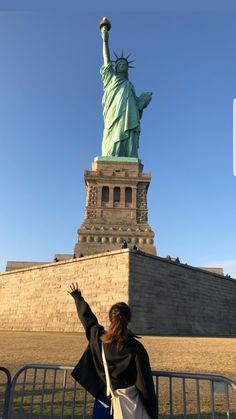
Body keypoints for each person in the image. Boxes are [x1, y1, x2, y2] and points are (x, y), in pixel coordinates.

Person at [68, 282, 158, 419]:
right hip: (127, 407)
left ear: (110, 318)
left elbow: (89, 321)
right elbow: (145, 386)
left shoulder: (99, 339)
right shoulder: (135, 348)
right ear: (128, 320)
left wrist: (77, 297)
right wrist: (152, 413)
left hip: (103, 404)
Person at [100, 23, 152, 158]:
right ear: (115, 67)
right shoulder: (110, 78)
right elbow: (106, 59)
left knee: (129, 133)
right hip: (113, 113)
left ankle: (127, 155)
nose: (122, 65)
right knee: (113, 135)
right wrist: (105, 40)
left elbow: (135, 104)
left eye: (125, 64)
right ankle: (112, 155)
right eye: (120, 64)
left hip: (128, 116)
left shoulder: (129, 85)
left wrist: (142, 101)